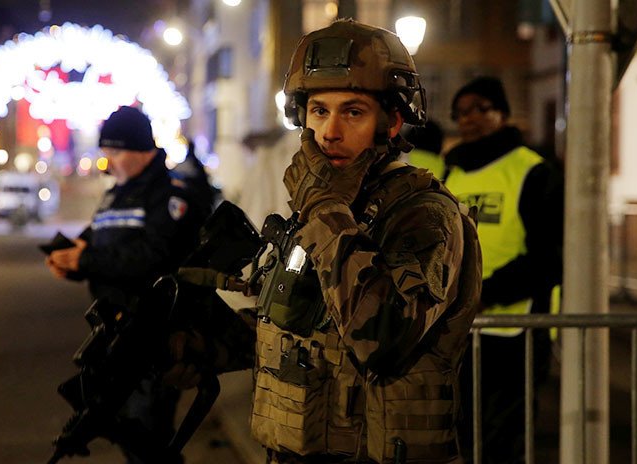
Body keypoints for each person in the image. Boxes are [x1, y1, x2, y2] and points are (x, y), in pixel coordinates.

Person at [165, 19, 482, 463]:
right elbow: (301, 325)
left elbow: (382, 340)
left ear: (391, 122)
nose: (329, 132)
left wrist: (323, 209)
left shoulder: (423, 214)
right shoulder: (329, 209)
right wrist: (204, 347)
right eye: (318, 111)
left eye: (352, 112)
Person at [45, 105, 208, 463]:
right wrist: (71, 260)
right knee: (131, 435)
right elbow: (98, 241)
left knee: (146, 435)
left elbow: (153, 260)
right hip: (113, 332)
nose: (109, 161)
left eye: (115, 152)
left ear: (140, 150)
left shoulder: (169, 196)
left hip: (151, 335)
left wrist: (85, 260)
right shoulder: (116, 194)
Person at [444, 76, 564, 463]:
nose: (470, 119)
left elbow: (548, 257)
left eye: (481, 108)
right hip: (462, 328)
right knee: (460, 433)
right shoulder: (454, 174)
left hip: (517, 330)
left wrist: (484, 295)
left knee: (503, 440)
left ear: (503, 113)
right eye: (461, 112)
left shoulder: (533, 171)